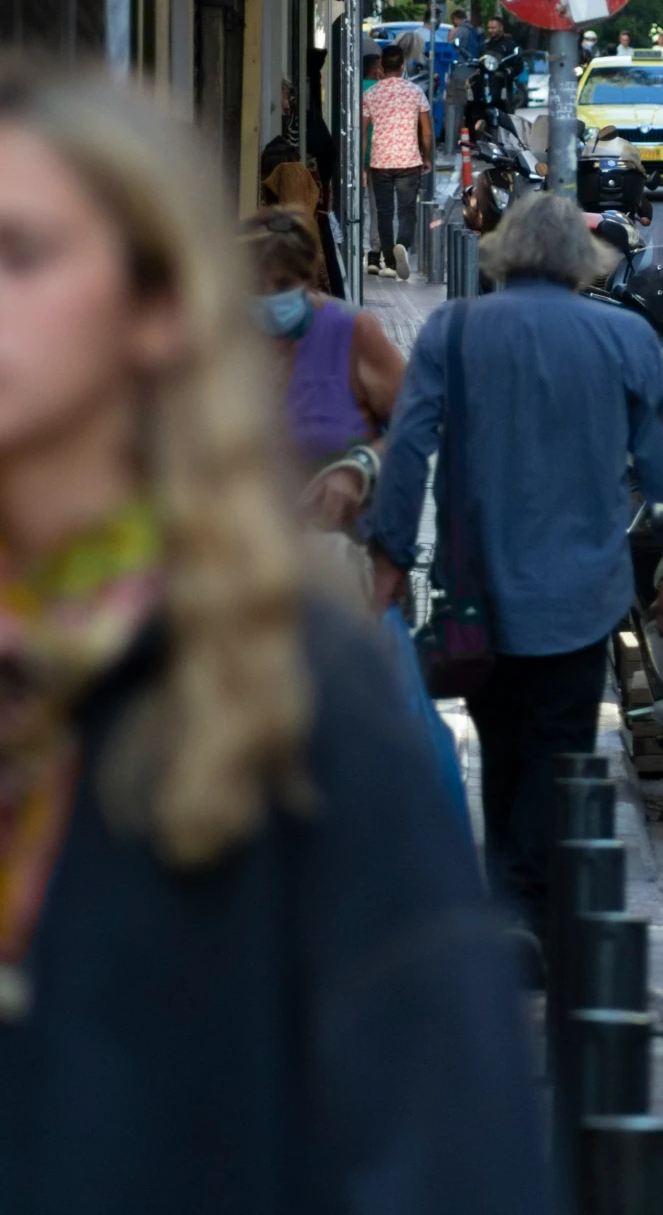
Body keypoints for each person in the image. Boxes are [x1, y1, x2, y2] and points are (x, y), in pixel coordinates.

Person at [0, 64, 538, 1209]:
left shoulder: (285, 684)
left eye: (24, 253)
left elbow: (439, 1140)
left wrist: (359, 485)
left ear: (152, 314)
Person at [369, 194, 663, 935]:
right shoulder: (625, 337)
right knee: (557, 752)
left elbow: (407, 452)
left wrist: (390, 558)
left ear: (501, 254)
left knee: (504, 745)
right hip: (582, 596)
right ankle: (526, 919)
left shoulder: (451, 332)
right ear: (584, 264)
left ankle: (513, 913)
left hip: (475, 591)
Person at [241, 208, 405, 526]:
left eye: (283, 284)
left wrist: (362, 467)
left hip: (341, 551)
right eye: (254, 286)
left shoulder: (352, 331)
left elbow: (416, 423)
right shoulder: (221, 341)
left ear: (309, 277)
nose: (268, 297)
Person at [363, 43, 431, 281]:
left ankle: (390, 263)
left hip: (380, 162)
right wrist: (427, 158)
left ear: (382, 65)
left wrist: (364, 164)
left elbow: (363, 133)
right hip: (408, 161)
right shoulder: (415, 92)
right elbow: (426, 132)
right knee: (407, 210)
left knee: (384, 212)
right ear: (403, 66)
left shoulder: (370, 94)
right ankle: (402, 246)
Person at [443, 6, 482, 158]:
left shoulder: (460, 31)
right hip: (472, 75)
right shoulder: (475, 31)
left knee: (454, 108)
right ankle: (469, 140)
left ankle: (451, 145)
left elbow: (452, 50)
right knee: (467, 109)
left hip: (459, 74)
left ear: (455, 19)